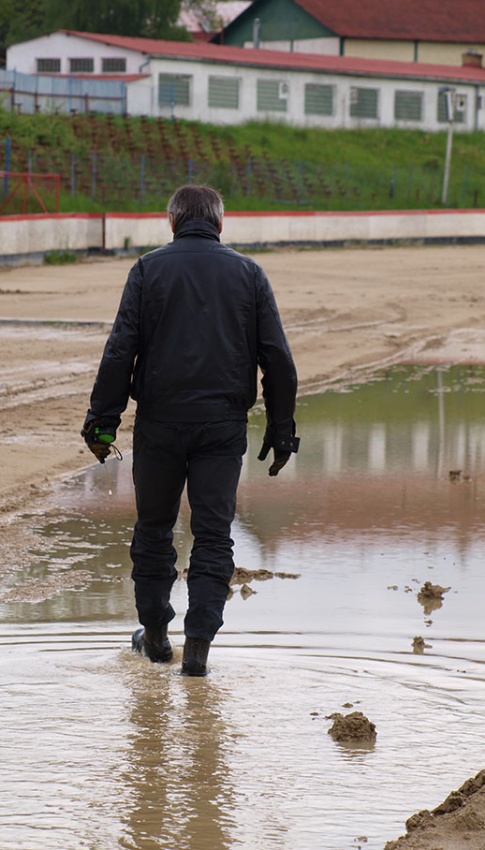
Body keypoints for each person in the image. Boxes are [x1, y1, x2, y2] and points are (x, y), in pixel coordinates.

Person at [82, 185, 298, 676]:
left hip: (159, 424)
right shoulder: (249, 274)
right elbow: (277, 359)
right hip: (222, 427)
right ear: (219, 224)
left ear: (173, 222)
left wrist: (102, 422)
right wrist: (282, 430)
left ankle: (156, 639)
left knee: (154, 529)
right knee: (213, 536)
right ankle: (197, 652)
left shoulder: (147, 269)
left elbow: (120, 350)